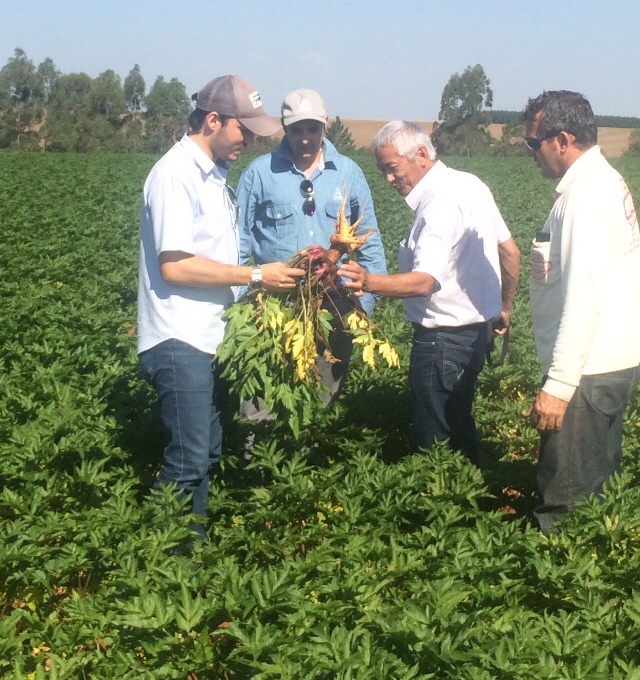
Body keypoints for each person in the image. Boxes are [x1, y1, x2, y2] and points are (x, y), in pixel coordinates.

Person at [137, 75, 303, 538]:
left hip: (209, 339)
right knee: (187, 459)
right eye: (242, 129)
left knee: (206, 454)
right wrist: (255, 275)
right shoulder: (175, 174)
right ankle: (157, 561)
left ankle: (193, 553)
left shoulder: (214, 177)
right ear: (214, 120)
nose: (248, 140)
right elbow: (175, 265)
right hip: (178, 339)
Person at [339, 121, 520, 461]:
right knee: (461, 429)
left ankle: (443, 503)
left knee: (434, 445)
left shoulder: (437, 205)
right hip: (475, 336)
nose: (389, 180)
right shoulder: (470, 184)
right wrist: (504, 309)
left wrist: (368, 282)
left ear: (421, 154)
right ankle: (475, 499)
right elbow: (510, 252)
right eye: (382, 171)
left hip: (441, 343)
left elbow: (424, 282)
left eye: (392, 169)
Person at [523, 90, 640, 533]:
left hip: (586, 373)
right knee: (598, 492)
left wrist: (558, 386)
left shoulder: (587, 197)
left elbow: (583, 296)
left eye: (534, 143)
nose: (530, 154)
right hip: (608, 365)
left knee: (564, 504)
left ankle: (558, 592)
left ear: (563, 139)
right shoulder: (604, 182)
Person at [236, 88, 387, 402]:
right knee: (262, 400)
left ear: (326, 125)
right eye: (296, 130)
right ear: (284, 127)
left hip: (335, 308)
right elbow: (240, 241)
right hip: (274, 308)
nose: (305, 138)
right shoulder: (259, 174)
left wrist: (363, 310)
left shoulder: (348, 173)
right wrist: (241, 301)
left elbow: (369, 240)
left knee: (323, 398)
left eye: (313, 129)